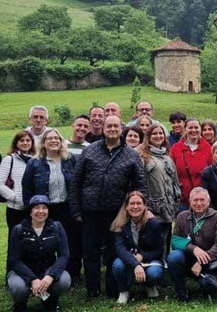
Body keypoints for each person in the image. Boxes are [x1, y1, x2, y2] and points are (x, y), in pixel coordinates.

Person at [70, 116, 150, 299]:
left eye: (116, 126)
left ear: (121, 128)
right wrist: (75, 210)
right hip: (90, 211)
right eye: (109, 126)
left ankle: (113, 290)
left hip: (117, 213)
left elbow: (140, 185)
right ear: (103, 129)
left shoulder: (131, 154)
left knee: (114, 253)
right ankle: (93, 290)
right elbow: (76, 182)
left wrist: (140, 209)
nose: (112, 129)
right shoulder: (89, 151)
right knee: (90, 252)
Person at [22, 128, 82, 284]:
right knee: (46, 242)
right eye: (50, 138)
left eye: (57, 138)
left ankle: (71, 275)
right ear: (43, 143)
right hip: (44, 209)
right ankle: (44, 274)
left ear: (61, 142)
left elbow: (78, 185)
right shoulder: (34, 163)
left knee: (70, 242)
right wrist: (31, 210)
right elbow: (27, 188)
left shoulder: (71, 160)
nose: (54, 141)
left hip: (67, 207)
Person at [7, 196, 72, 312]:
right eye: (37, 208)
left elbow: (64, 255)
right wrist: (32, 279)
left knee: (64, 280)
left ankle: (50, 301)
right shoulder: (18, 230)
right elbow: (13, 260)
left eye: (44, 208)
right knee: (19, 288)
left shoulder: (57, 227)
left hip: (47, 270)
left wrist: (51, 276)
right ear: (30, 212)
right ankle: (20, 304)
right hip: (24, 271)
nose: (41, 211)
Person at [167, 187, 217, 302]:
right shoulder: (182, 216)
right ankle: (181, 292)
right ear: (190, 201)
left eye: (202, 200)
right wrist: (193, 249)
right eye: (195, 200)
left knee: (207, 285)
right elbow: (175, 241)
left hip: (209, 261)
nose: (198, 203)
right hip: (188, 260)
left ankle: (213, 281)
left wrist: (201, 262)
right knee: (173, 257)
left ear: (208, 201)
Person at [110, 191, 167, 304]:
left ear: (144, 206)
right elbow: (120, 249)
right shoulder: (119, 224)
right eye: (132, 203)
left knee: (154, 273)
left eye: (139, 203)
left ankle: (149, 285)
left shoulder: (154, 224)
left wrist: (142, 256)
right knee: (117, 265)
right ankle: (124, 291)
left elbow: (160, 250)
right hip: (128, 258)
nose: (135, 206)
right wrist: (135, 264)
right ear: (126, 207)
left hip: (150, 259)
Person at [139, 123, 181, 237]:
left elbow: (175, 182)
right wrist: (145, 208)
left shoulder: (167, 157)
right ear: (148, 137)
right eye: (154, 134)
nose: (158, 136)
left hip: (168, 208)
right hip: (153, 210)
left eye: (160, 133)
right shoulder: (143, 157)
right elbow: (139, 184)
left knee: (166, 243)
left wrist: (176, 201)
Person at [0, 130, 38, 231]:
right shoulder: (9, 159)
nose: (25, 143)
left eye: (28, 140)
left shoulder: (36, 160)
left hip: (32, 207)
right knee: (15, 239)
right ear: (16, 143)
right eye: (22, 140)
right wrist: (14, 197)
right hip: (15, 209)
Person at [171, 119, 214, 209]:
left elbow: (212, 170)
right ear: (185, 129)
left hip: (202, 198)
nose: (193, 130)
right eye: (190, 128)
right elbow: (171, 171)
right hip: (182, 198)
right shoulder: (176, 148)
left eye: (196, 127)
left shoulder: (207, 147)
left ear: (200, 129)